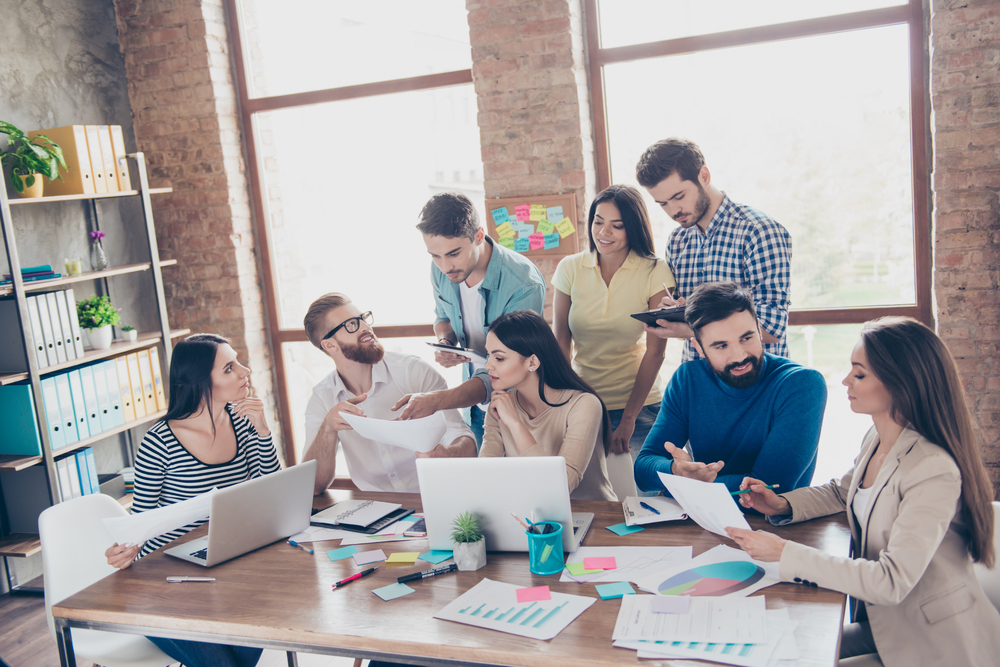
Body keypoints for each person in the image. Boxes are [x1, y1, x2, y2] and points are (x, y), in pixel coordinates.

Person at [726, 317, 1000, 667]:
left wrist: (785, 553)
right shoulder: (879, 439)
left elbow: (890, 580)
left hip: (936, 645)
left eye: (859, 374)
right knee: (783, 647)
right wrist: (780, 503)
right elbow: (842, 493)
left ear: (901, 383)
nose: (845, 381)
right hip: (890, 624)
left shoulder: (932, 468)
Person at [105, 333, 279, 667]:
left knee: (259, 631)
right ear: (201, 382)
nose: (245, 372)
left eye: (239, 362)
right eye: (229, 368)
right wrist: (125, 549)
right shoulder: (160, 442)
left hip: (227, 565)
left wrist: (262, 431)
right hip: (168, 582)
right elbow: (142, 521)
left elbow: (270, 489)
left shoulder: (242, 421)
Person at [634, 282, 826, 495]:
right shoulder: (687, 380)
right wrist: (675, 469)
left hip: (773, 526)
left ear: (759, 331)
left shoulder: (801, 384)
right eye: (721, 345)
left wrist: (684, 488)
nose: (739, 356)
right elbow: (643, 471)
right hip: (702, 521)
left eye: (747, 338)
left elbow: (770, 487)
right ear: (699, 347)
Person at [392, 192, 546, 445]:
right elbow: (443, 318)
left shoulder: (523, 283)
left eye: (453, 253)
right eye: (435, 255)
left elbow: (511, 367)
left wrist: (437, 400)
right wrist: (446, 342)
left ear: (478, 235)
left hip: (521, 409)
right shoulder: (442, 269)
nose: (444, 266)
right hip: (474, 405)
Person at [301, 292, 476, 494]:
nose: (366, 327)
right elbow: (313, 486)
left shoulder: (413, 372)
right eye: (351, 325)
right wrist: (328, 430)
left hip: (436, 496)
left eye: (363, 319)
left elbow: (466, 442)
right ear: (329, 345)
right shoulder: (321, 399)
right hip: (374, 509)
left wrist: (448, 454)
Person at [635, 138, 791, 361]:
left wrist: (690, 330)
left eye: (679, 196)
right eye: (662, 203)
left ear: (704, 176)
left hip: (753, 385)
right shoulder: (678, 241)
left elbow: (771, 328)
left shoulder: (759, 232)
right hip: (698, 382)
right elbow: (691, 320)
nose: (673, 210)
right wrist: (676, 312)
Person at [552, 184, 675, 466]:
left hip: (640, 407)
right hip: (583, 402)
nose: (603, 233)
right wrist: (564, 400)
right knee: (592, 499)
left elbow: (655, 352)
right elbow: (560, 339)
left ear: (632, 228)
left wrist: (630, 418)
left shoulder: (655, 271)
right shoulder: (570, 268)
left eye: (616, 226)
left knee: (646, 498)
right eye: (598, 221)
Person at [479, 310, 616, 501]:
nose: (488, 366)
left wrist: (515, 424)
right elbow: (485, 475)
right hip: (534, 517)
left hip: (594, 517)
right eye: (488, 356)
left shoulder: (584, 405)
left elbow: (560, 486)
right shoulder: (500, 405)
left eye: (499, 358)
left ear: (532, 362)